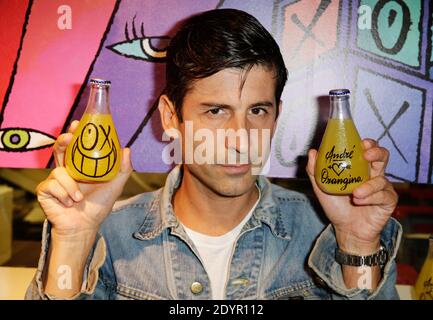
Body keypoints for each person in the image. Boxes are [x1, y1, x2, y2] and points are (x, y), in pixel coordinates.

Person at [26, 8, 401, 300]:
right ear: (171, 117)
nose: (241, 139)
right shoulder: (111, 234)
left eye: (257, 111)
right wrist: (74, 242)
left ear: (277, 115)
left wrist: (356, 243)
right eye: (215, 111)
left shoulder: (322, 230)